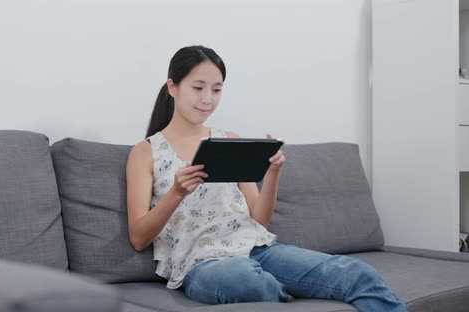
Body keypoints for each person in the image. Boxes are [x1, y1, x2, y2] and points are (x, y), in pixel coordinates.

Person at [125, 45, 407, 311]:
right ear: (172, 86)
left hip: (257, 249)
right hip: (200, 265)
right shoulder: (146, 152)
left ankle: (287, 291)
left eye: (217, 90)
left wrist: (272, 173)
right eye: (198, 88)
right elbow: (139, 238)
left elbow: (258, 220)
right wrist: (176, 192)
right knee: (244, 278)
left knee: (356, 272)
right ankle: (287, 293)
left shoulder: (228, 141)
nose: (207, 99)